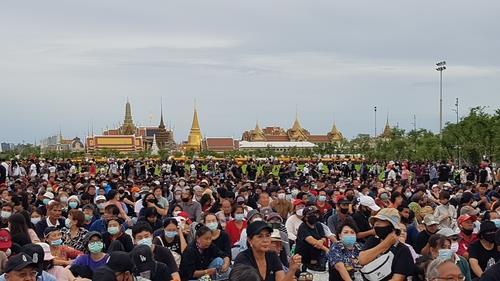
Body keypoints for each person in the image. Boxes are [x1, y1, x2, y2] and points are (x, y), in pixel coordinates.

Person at [358, 208, 414, 281]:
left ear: (392, 227)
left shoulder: (403, 250)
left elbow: (397, 279)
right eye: (376, 221)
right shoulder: (372, 241)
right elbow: (362, 260)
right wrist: (385, 243)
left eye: (382, 221)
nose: (376, 223)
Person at [296, 205, 329, 271]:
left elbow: (323, 238)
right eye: (311, 214)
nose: (314, 215)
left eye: (315, 213)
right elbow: (311, 241)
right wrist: (327, 250)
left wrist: (320, 241)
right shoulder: (302, 227)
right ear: (305, 217)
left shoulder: (318, 225)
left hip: (318, 258)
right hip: (305, 260)